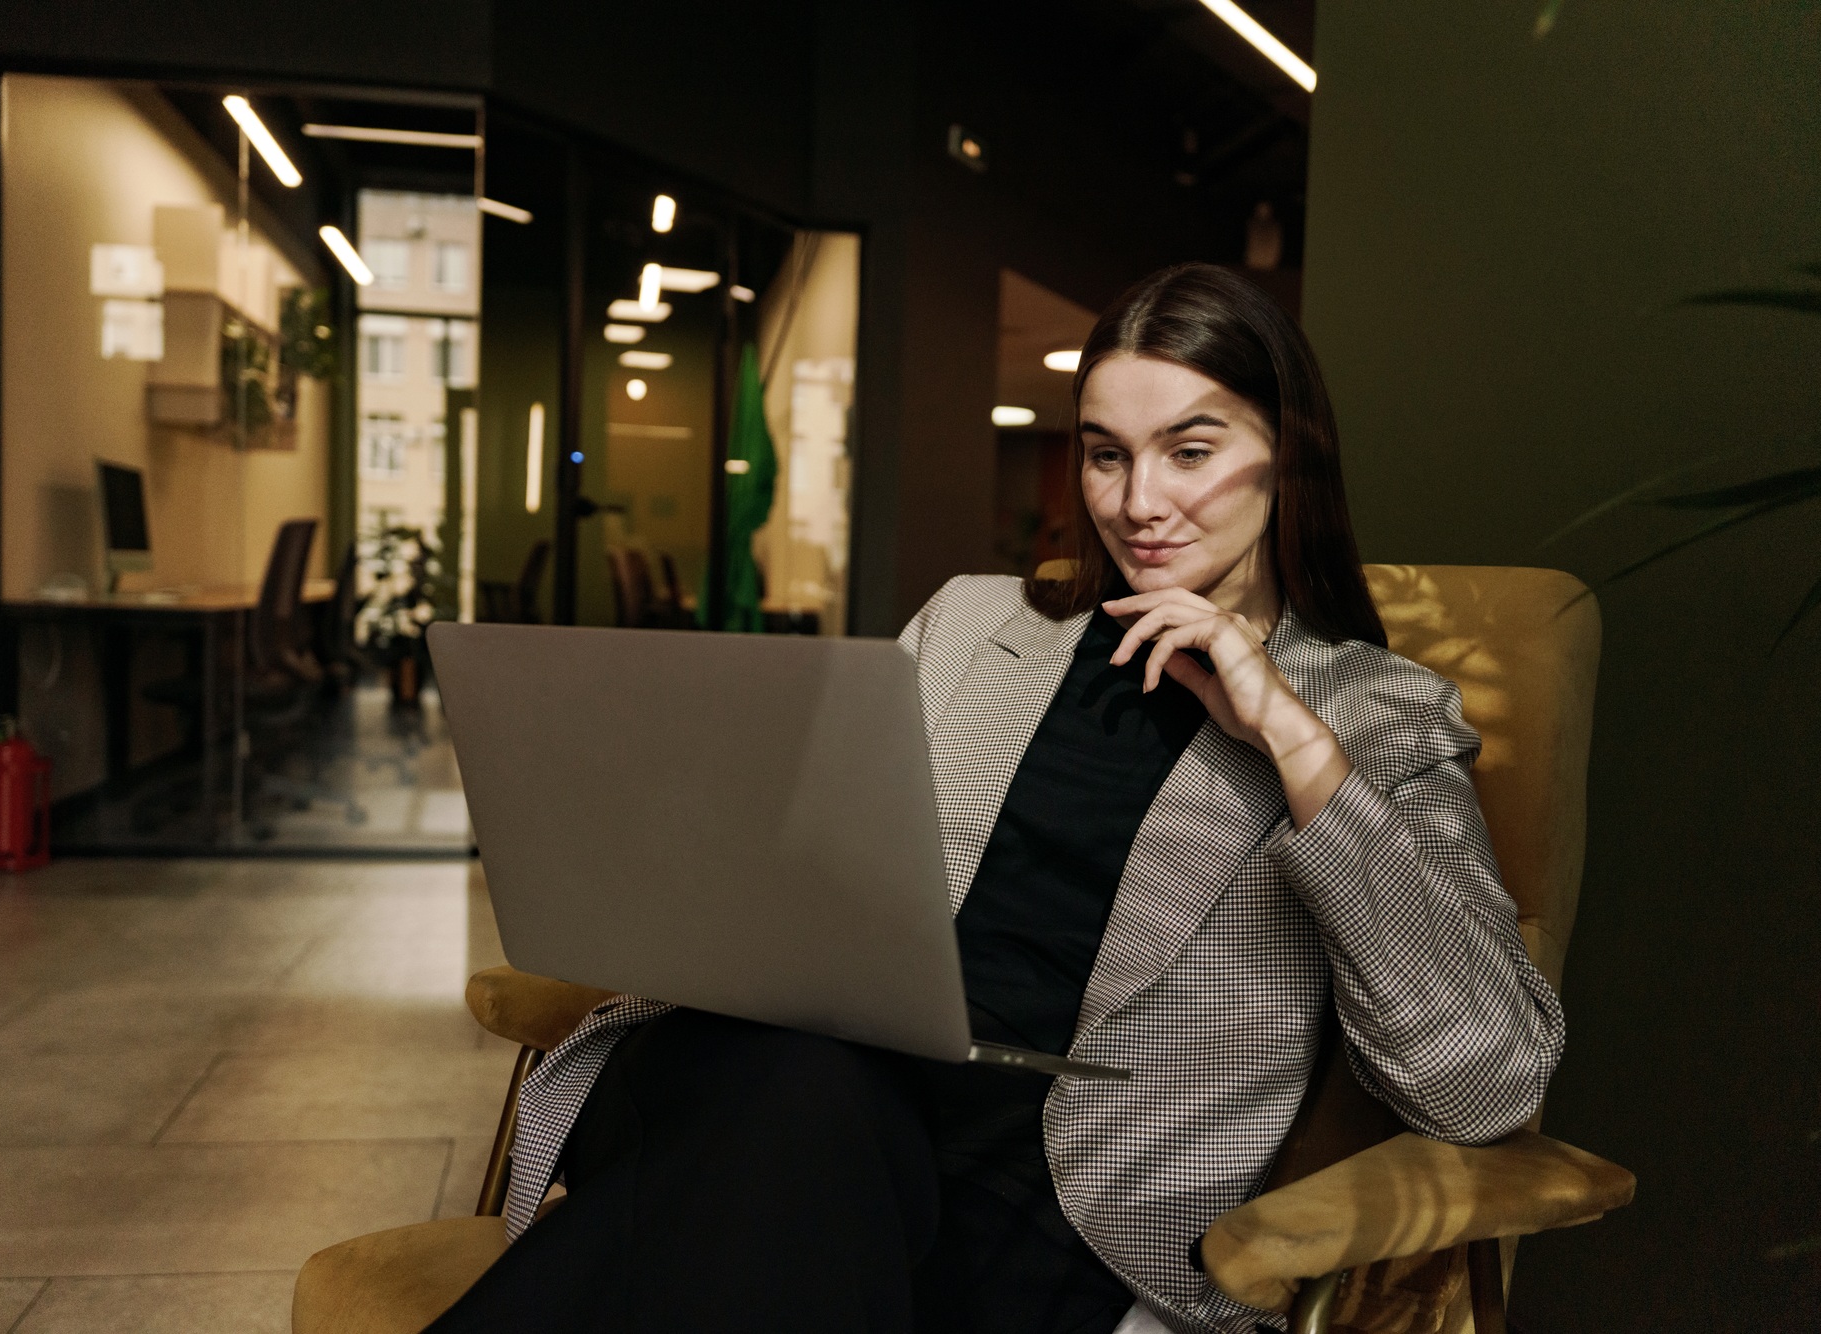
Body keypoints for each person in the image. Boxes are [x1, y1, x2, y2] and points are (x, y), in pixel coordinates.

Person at [425, 264, 1566, 1334]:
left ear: (1290, 456)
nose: (1137, 502)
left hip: (1058, 1190)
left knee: (750, 1161)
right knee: (788, 1082)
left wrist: (1286, 735)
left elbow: (1485, 1078)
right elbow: (817, 872)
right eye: (1105, 454)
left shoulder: (1372, 715)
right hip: (797, 1088)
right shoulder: (976, 624)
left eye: (1190, 450)